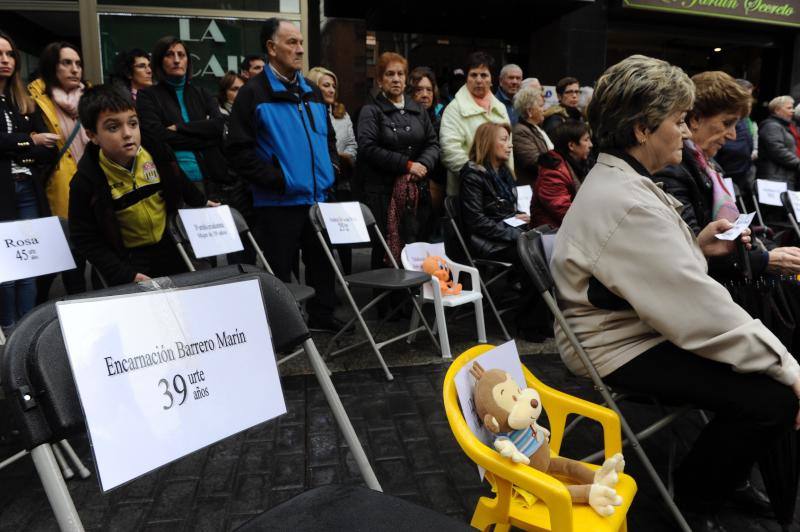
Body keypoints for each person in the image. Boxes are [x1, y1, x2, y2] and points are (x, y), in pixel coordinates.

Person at [551, 54, 800, 532]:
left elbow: (658, 275)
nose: (686, 132)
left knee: (760, 382)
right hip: (617, 346)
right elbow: (699, 312)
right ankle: (694, 498)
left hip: (628, 330)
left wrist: (696, 247)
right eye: (678, 120)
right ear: (643, 129)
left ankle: (711, 485)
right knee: (770, 399)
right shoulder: (626, 198)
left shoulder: (621, 180)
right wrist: (786, 365)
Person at [225, 18, 340, 331]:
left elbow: (327, 138)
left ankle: (322, 317)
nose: (300, 49)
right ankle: (283, 326)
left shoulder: (313, 92)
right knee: (279, 269)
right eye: (291, 42)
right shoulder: (253, 94)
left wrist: (332, 167)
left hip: (317, 199)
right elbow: (238, 151)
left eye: (301, 42)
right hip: (276, 203)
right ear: (271, 48)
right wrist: (279, 180)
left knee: (323, 265)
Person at [656, 71, 800, 280]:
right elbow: (690, 248)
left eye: (736, 125)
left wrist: (770, 251)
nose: (733, 135)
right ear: (695, 119)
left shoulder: (710, 165)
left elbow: (741, 227)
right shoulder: (673, 167)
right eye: (727, 123)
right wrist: (766, 259)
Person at [69, 85, 209, 286]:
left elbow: (177, 177)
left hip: (169, 245)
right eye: (113, 127)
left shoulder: (156, 151)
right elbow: (83, 236)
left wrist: (201, 201)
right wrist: (121, 273)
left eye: (133, 124)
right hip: (127, 261)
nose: (128, 134)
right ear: (92, 135)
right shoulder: (85, 181)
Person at [357, 52, 438, 266]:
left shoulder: (418, 110)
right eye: (390, 74)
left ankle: (413, 298)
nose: (396, 79)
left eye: (400, 74)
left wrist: (423, 165)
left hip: (416, 194)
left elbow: (433, 143)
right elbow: (368, 148)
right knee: (385, 254)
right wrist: (407, 165)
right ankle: (385, 299)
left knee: (416, 250)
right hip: (382, 195)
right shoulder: (371, 111)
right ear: (380, 80)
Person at [0, 30, 57, 333]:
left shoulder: (23, 100)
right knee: (6, 269)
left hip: (28, 190)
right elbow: (32, 141)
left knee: (30, 262)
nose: (5, 61)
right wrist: (28, 140)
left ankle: (28, 330)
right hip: (4, 194)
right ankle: (9, 332)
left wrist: (21, 146)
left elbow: (49, 149)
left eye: (10, 55)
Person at [28, 41, 91, 297]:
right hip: (58, 188)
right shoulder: (35, 101)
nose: (75, 69)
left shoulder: (90, 100)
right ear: (52, 67)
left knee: (89, 255)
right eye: (67, 63)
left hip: (91, 184)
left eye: (78, 63)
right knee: (64, 257)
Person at [136, 36, 227, 202]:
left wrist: (180, 128)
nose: (176, 60)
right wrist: (205, 135)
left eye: (181, 55)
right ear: (159, 61)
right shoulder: (148, 96)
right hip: (175, 181)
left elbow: (218, 127)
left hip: (213, 180)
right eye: (169, 55)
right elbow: (156, 137)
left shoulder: (203, 93)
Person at [307, 65, 357, 274]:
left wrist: (339, 157)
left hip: (342, 181)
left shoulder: (342, 115)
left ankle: (347, 278)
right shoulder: (306, 114)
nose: (331, 90)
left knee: (344, 237)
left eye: (333, 86)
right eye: (325, 85)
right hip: (317, 185)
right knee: (320, 242)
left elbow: (353, 147)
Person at [440, 51, 512, 196]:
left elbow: (509, 149)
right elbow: (449, 151)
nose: (479, 80)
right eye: (473, 75)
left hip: (500, 190)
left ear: (492, 80)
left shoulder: (501, 108)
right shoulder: (454, 109)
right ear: (466, 78)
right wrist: (480, 176)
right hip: (468, 193)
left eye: (484, 75)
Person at [459, 122, 526, 263]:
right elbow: (477, 221)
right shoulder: (473, 176)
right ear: (487, 142)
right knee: (532, 251)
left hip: (502, 233)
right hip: (485, 242)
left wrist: (519, 216)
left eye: (509, 140)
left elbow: (503, 210)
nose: (510, 145)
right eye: (504, 139)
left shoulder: (504, 172)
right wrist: (514, 233)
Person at [531, 120, 592, 228]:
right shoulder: (552, 173)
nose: (590, 145)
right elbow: (565, 212)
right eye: (586, 140)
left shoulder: (578, 164)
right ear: (571, 146)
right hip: (552, 234)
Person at [408, 66, 446, 215]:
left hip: (434, 189)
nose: (425, 95)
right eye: (419, 90)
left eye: (429, 90)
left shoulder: (440, 120)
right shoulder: (403, 118)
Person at [715, 78, 757, 196]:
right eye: (746, 96)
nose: (749, 101)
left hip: (741, 173)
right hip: (726, 173)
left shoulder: (745, 119)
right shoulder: (723, 115)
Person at [512, 84, 553, 186]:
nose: (544, 110)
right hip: (533, 189)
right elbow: (534, 163)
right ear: (529, 111)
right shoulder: (520, 132)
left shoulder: (536, 128)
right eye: (540, 106)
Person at [757, 95, 799, 191]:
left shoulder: (783, 126)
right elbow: (777, 149)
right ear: (777, 110)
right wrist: (797, 163)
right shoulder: (771, 126)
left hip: (782, 178)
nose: (792, 111)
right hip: (774, 179)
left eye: (792, 108)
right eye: (789, 108)